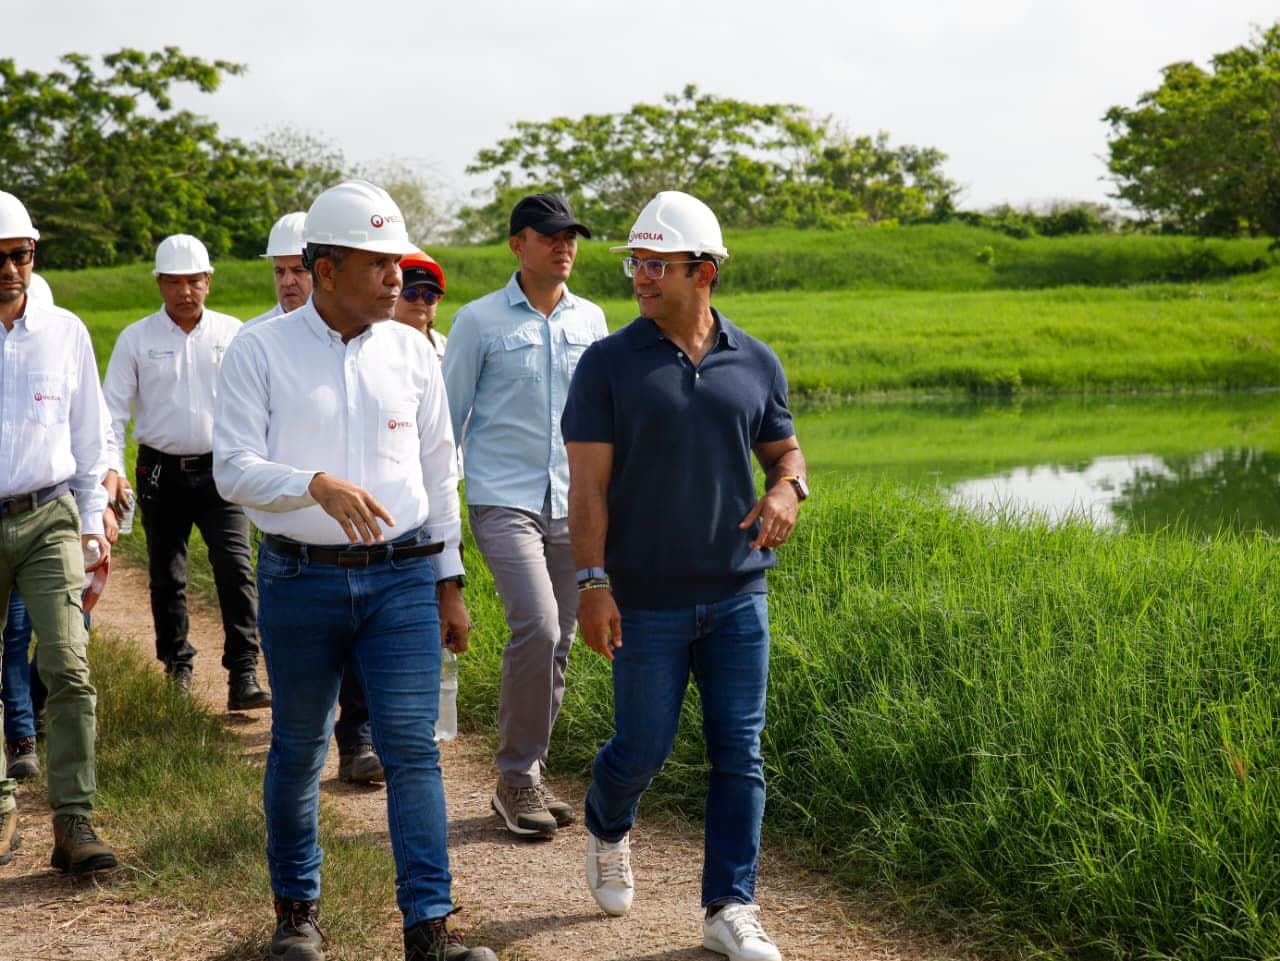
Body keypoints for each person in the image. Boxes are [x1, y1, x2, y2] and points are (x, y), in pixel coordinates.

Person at [214, 180, 496, 961]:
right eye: (378, 264)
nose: (395, 278)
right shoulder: (260, 350)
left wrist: (449, 581)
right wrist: (313, 484)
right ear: (326, 268)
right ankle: (297, 914)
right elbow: (232, 467)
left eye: (397, 263)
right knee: (299, 746)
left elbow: (440, 470)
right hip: (299, 578)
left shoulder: (413, 352)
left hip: (402, 580)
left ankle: (428, 928)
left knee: (412, 748)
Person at [563, 191, 809, 961]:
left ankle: (729, 906)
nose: (640, 276)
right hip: (644, 599)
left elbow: (785, 452)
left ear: (703, 271)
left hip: (739, 593)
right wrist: (592, 583)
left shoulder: (755, 360)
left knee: (740, 750)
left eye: (656, 264)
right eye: (635, 263)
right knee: (643, 746)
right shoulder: (608, 363)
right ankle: (607, 823)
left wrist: (788, 489)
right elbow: (587, 487)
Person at [443, 194, 607, 838]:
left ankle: (528, 773)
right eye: (549, 236)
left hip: (573, 501)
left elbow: (603, 419)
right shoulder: (478, 321)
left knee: (560, 637)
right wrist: (442, 524)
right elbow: (446, 422)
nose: (564, 246)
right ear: (518, 244)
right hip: (502, 498)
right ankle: (515, 777)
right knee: (537, 625)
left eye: (571, 237)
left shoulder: (591, 320)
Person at [0, 189, 118, 873]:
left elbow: (88, 434)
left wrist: (92, 521)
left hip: (49, 515)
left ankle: (74, 819)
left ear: (34, 253)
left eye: (19, 255)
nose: (9, 269)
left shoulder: (65, 331)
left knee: (68, 665)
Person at [102, 234, 269, 710]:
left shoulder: (234, 333)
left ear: (208, 281)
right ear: (159, 283)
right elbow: (111, 412)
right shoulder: (137, 339)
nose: (185, 291)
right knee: (167, 576)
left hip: (223, 470)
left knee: (235, 569)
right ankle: (177, 667)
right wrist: (112, 468)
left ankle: (243, 672)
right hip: (159, 471)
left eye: (194, 281)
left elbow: (258, 404)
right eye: (174, 282)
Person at [246, 212, 311, 326]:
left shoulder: (343, 329)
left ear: (323, 271)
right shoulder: (253, 333)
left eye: (298, 270)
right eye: (280, 271)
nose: (287, 282)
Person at [394, 250, 448, 359]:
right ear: (392, 296)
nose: (421, 301)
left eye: (430, 296)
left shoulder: (447, 347)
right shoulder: (374, 343)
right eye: (411, 294)